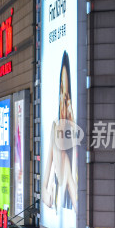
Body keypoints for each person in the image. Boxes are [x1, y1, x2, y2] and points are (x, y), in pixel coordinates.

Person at [41, 50, 78, 213]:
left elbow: (75, 167)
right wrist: (44, 189)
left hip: (72, 190)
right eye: (62, 91)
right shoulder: (55, 125)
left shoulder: (76, 127)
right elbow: (48, 162)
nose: (64, 99)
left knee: (66, 161)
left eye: (67, 94)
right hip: (59, 192)